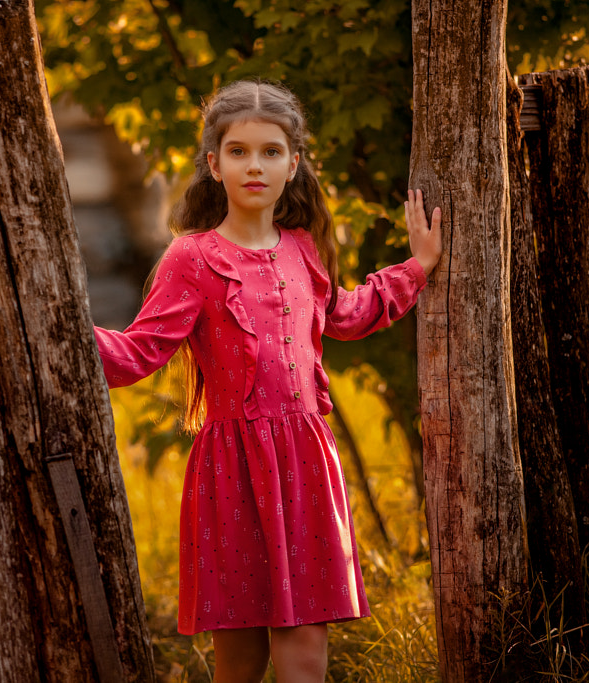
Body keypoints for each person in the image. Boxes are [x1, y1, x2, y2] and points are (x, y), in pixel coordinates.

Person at [94, 80, 442, 683]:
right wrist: (62, 326)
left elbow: (347, 315)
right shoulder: (192, 258)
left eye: (271, 151)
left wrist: (418, 266)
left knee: (306, 657)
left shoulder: (303, 248)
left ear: (294, 164)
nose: (254, 165)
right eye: (238, 151)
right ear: (213, 165)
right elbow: (138, 352)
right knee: (240, 665)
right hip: (232, 473)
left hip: (306, 467)